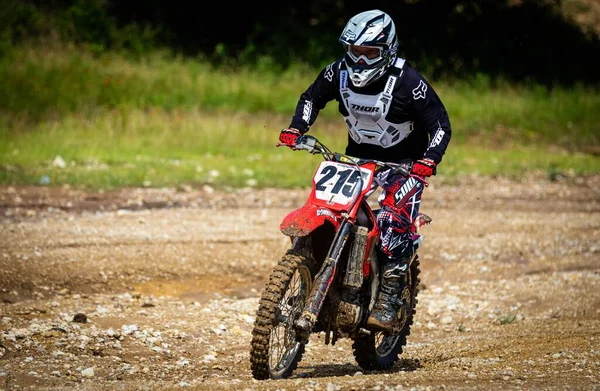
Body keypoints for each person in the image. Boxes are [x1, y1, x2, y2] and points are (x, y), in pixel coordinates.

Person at [278, 9, 452, 333]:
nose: (359, 61)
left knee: (391, 219)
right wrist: (296, 127)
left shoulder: (408, 83)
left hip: (404, 166)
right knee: (329, 206)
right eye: (354, 52)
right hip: (356, 161)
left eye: (368, 53)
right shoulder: (337, 73)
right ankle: (313, 273)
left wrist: (429, 160)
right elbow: (310, 98)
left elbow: (440, 124)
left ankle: (389, 297)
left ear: (386, 51)